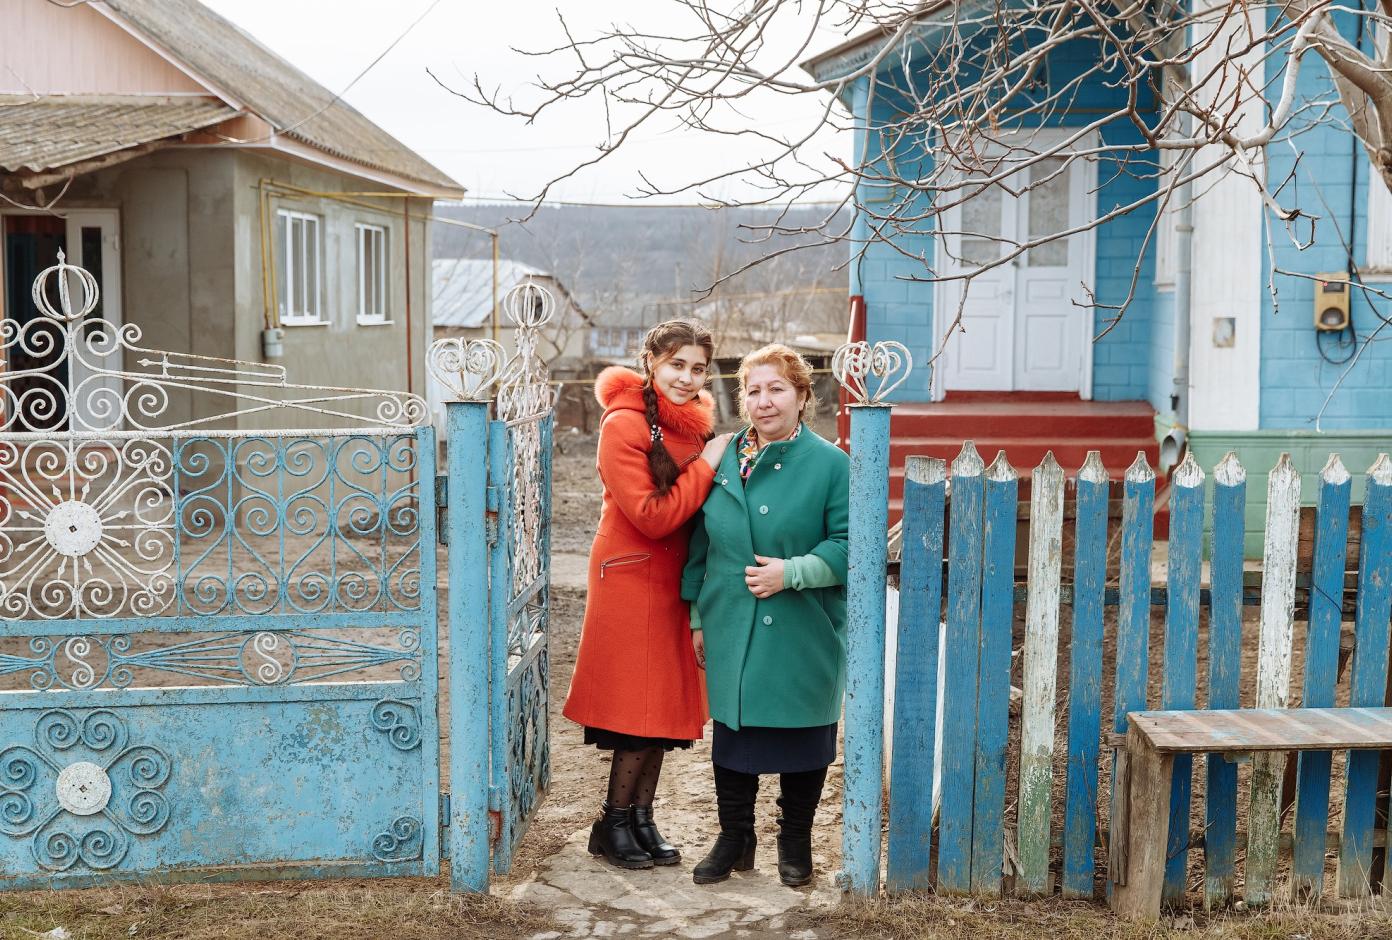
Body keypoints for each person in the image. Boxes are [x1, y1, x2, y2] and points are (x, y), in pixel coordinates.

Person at [563, 319, 734, 871]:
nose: (687, 377)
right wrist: (707, 464)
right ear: (651, 362)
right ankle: (611, 822)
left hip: (677, 579)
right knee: (637, 706)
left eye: (698, 369)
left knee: (661, 704)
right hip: (631, 576)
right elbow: (652, 516)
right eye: (676, 364)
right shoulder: (623, 424)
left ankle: (640, 817)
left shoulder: (694, 425)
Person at [681, 343, 849, 888]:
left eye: (776, 389)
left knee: (805, 740)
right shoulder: (721, 457)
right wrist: (698, 617)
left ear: (803, 396)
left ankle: (795, 839)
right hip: (730, 621)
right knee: (734, 738)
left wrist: (792, 572)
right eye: (753, 391)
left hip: (804, 627)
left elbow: (850, 543)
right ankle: (735, 838)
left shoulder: (832, 465)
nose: (764, 401)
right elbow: (700, 544)